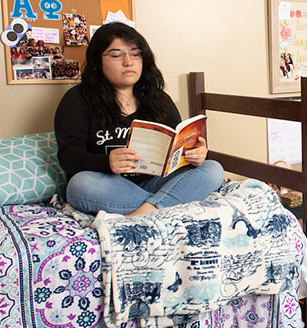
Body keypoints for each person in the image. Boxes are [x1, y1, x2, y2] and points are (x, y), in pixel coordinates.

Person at [54, 22, 224, 217]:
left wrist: (195, 154)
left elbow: (176, 149)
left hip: (156, 180)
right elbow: (68, 156)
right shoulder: (77, 99)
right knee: (79, 185)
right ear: (97, 61)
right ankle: (167, 205)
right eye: (116, 55)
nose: (129, 62)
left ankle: (143, 213)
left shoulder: (159, 99)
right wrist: (106, 162)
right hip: (109, 184)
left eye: (135, 54)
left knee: (213, 169)